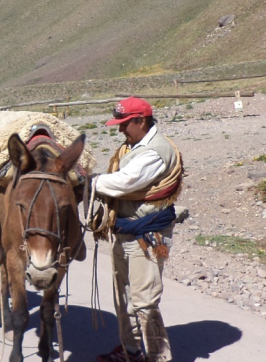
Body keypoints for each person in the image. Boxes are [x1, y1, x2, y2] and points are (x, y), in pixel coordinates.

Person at [94, 97, 183, 362]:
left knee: (144, 301)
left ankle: (158, 357)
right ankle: (131, 352)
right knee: (123, 298)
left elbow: (124, 182)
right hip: (125, 233)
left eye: (124, 124)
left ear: (141, 120)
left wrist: (91, 181)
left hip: (147, 236)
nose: (120, 130)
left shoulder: (155, 152)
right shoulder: (133, 147)